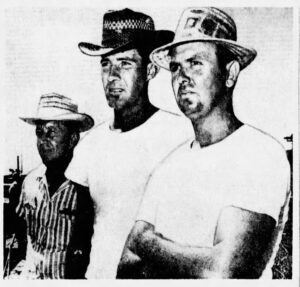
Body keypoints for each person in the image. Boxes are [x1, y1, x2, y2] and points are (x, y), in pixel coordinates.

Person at [118, 7, 291, 279]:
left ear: (230, 73)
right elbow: (126, 266)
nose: (182, 78)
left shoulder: (260, 153)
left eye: (196, 63)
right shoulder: (169, 164)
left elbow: (227, 270)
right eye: (176, 67)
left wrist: (148, 243)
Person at [65, 8, 193, 278]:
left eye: (124, 64)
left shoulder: (180, 135)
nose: (112, 76)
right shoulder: (90, 145)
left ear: (149, 70)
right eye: (105, 64)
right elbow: (80, 234)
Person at [13, 93, 94, 279]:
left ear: (73, 139)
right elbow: (20, 231)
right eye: (39, 133)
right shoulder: (30, 182)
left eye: (51, 133)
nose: (43, 141)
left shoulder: (86, 187)